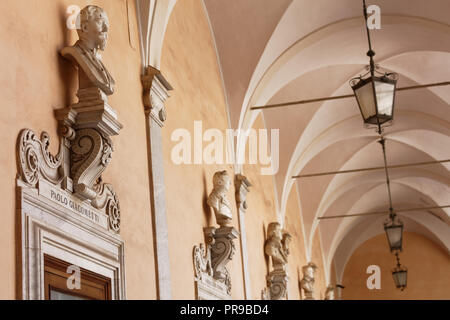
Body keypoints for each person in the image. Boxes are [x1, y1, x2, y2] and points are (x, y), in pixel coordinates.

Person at [61, 5, 115, 95]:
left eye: (106, 24)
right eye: (100, 22)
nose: (106, 29)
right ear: (85, 27)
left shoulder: (98, 59)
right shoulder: (74, 52)